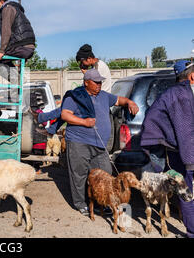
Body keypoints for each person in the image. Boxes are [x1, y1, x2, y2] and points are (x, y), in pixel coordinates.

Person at [61, 69, 139, 215]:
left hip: (99, 144)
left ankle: (99, 203)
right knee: (79, 174)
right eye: (96, 82)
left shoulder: (104, 96)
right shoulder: (76, 96)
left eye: (100, 82)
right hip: (79, 142)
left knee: (105, 173)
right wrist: (84, 122)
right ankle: (81, 203)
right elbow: (65, 115)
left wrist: (129, 102)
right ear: (86, 82)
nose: (99, 84)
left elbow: (118, 100)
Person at [140, 60, 194, 238]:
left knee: (186, 191)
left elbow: (152, 119)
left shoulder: (176, 94)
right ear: (192, 77)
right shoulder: (180, 96)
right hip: (185, 154)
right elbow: (186, 130)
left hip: (181, 152)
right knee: (186, 190)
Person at [0, 0, 36, 85]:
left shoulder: (7, 9)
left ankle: (19, 82)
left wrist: (2, 51)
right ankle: (19, 80)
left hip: (22, 46)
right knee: (4, 61)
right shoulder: (14, 9)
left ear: (1, 2)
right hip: (27, 45)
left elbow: (6, 31)